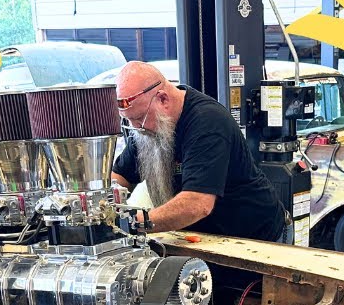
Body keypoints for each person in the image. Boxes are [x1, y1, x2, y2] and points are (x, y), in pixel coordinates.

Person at [110, 61, 286, 242]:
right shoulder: (147, 130)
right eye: (129, 121)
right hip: (206, 236)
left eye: (139, 118)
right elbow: (120, 178)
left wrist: (135, 223)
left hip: (255, 237)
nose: (136, 127)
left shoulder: (208, 122)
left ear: (163, 99)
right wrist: (100, 209)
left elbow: (197, 204)